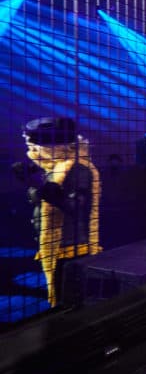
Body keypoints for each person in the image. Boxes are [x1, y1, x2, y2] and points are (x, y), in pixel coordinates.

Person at [15, 117, 101, 307]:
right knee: (58, 297)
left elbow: (75, 208)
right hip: (55, 246)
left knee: (69, 302)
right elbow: (39, 198)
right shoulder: (52, 168)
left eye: (35, 146)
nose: (32, 151)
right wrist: (32, 182)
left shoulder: (78, 169)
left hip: (72, 247)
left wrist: (39, 185)